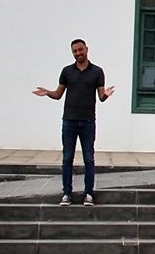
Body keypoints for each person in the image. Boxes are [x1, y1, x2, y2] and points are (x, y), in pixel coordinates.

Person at [33, 39, 115, 207]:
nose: (78, 53)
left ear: (87, 49)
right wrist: (47, 92)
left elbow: (100, 97)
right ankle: (67, 194)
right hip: (69, 121)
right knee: (67, 158)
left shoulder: (97, 72)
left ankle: (89, 194)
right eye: (75, 51)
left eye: (80, 50)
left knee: (89, 159)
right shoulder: (67, 71)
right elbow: (58, 94)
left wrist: (106, 94)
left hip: (88, 121)